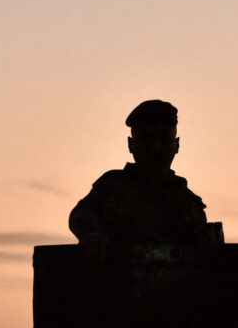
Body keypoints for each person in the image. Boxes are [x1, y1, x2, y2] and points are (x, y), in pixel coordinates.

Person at [69, 100, 222, 262]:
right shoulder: (114, 188)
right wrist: (92, 236)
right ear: (131, 145)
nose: (155, 148)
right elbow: (81, 215)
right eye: (146, 139)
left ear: (176, 145)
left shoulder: (188, 202)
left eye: (164, 139)